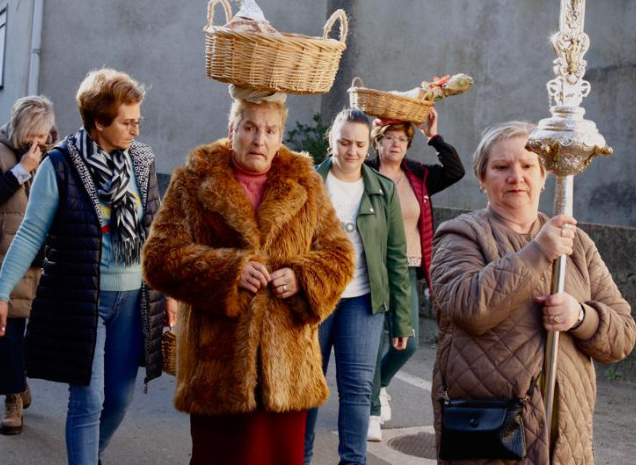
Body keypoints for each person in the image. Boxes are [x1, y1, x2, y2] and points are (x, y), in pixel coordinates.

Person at [142, 86, 354, 465]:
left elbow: (340, 256)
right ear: (231, 128)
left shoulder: (304, 182)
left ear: (280, 137)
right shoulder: (194, 180)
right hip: (217, 370)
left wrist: (303, 277)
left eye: (270, 131)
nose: (259, 139)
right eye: (250, 127)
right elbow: (159, 258)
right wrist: (229, 272)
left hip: (286, 372)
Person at [0, 69, 172, 464]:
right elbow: (30, 233)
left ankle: (90, 455)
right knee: (88, 400)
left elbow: (155, 231)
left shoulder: (142, 160)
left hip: (134, 298)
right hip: (82, 298)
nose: (136, 130)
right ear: (99, 121)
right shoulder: (61, 165)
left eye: (139, 120)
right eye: (127, 121)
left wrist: (168, 291)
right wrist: (0, 293)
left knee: (120, 399)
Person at [430, 121, 636, 464]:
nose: (516, 176)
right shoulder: (460, 235)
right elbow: (468, 307)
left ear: (544, 176)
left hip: (565, 439)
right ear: (482, 180)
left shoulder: (578, 244)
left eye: (528, 165)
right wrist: (537, 252)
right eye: (501, 167)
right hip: (491, 435)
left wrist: (581, 316)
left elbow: (623, 336)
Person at [304, 108, 414, 465]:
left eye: (360, 144)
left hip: (363, 303)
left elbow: (395, 257)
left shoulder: (382, 190)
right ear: (331, 141)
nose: (352, 151)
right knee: (307, 389)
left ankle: (353, 462)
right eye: (344, 142)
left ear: (370, 146)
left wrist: (401, 320)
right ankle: (298, 458)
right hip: (314, 301)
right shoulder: (309, 183)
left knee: (357, 392)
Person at [364, 107, 464, 441]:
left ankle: (378, 386)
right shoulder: (362, 174)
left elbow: (455, 171)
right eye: (389, 138)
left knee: (408, 344)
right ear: (377, 143)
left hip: (406, 269)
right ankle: (372, 412)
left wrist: (433, 136)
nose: (395, 145)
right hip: (370, 271)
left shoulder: (419, 176)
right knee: (374, 340)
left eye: (402, 140)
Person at [0, 96, 57, 435]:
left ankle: (19, 384)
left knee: (32, 336)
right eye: (30, 134)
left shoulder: (55, 156)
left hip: (43, 262)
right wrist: (20, 170)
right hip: (4, 257)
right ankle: (12, 400)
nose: (36, 142)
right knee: (6, 333)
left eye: (43, 134)